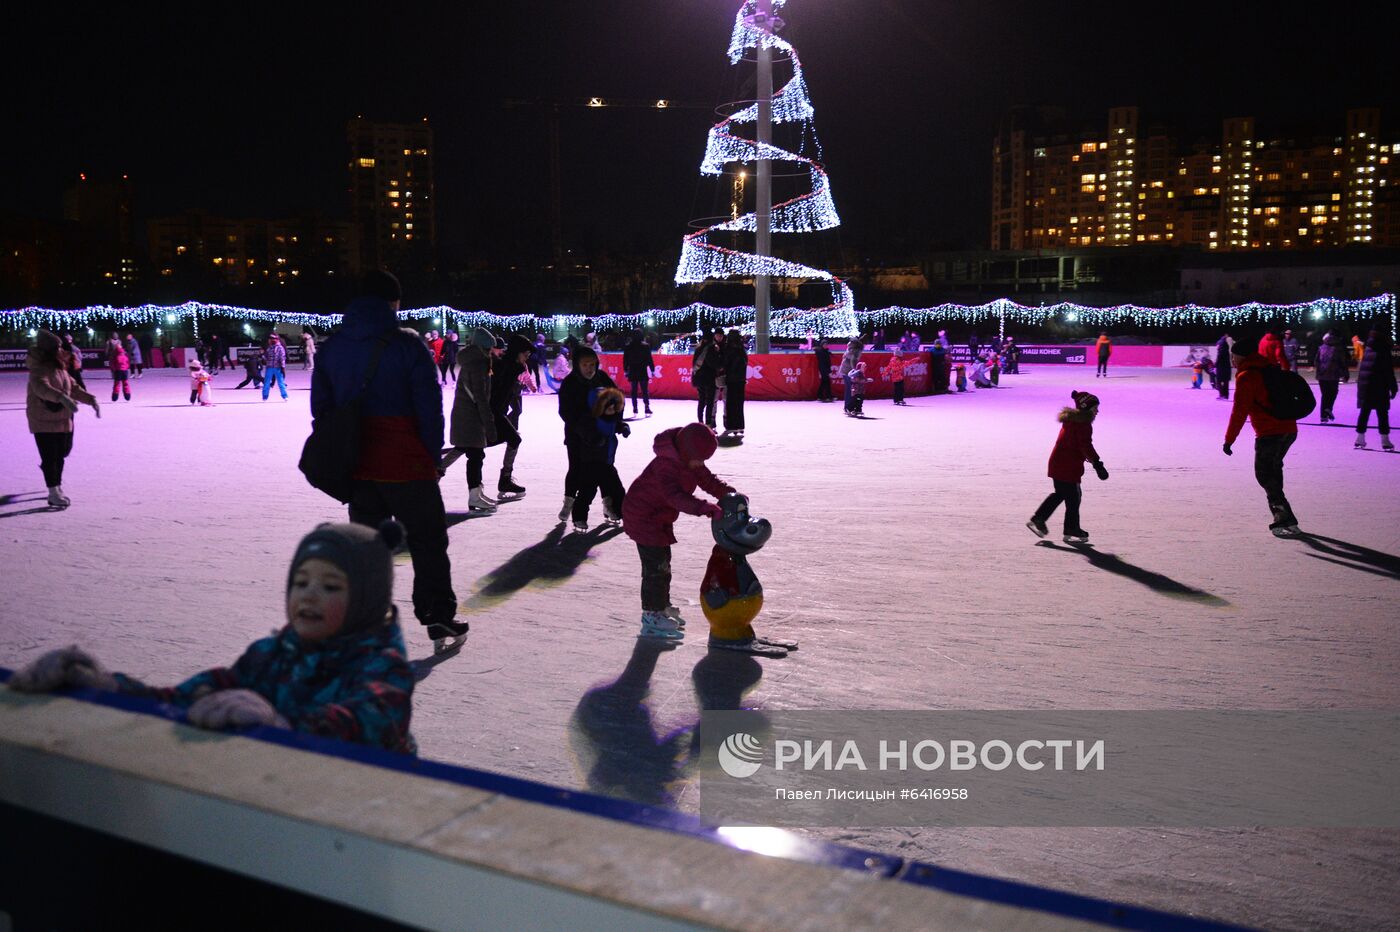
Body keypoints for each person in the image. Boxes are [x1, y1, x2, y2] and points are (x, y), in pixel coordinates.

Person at [9, 521, 419, 754]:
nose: (309, 595)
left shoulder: (385, 671)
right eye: (300, 582)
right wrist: (110, 688)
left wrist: (280, 727)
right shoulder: (269, 654)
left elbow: (364, 725)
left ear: (366, 601)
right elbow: (192, 697)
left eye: (331, 587)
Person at [311, 269, 465, 652]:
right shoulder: (408, 344)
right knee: (427, 540)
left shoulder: (332, 347)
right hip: (407, 464)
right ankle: (437, 616)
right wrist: (432, 458)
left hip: (360, 466)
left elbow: (322, 411)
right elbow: (429, 409)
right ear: (393, 303)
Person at [622, 423, 735, 640]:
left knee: (663, 565)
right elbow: (674, 496)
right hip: (643, 517)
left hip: (659, 517)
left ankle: (661, 605)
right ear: (686, 452)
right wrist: (703, 507)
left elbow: (706, 480)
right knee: (655, 569)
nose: (700, 464)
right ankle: (651, 615)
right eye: (699, 459)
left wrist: (728, 494)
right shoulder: (667, 465)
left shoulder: (690, 459)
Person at [1224, 340, 1300, 536]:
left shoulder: (1247, 376)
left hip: (1270, 432)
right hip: (1288, 429)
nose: (1232, 360)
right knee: (1273, 470)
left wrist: (1229, 439)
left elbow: (1239, 412)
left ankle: (1283, 515)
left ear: (1241, 356)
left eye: (1234, 356)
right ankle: (1283, 515)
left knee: (1264, 473)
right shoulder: (1269, 368)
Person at [26, 330, 100, 508]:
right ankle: (53, 491)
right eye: (57, 347)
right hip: (43, 419)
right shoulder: (39, 368)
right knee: (51, 457)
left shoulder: (60, 367)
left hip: (63, 418)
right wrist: (61, 397)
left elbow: (73, 388)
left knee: (62, 454)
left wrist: (91, 399)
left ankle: (56, 486)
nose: (61, 350)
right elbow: (40, 388)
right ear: (49, 350)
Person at [1027, 390, 1107, 543]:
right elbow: (1085, 446)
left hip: (1061, 464)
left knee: (1067, 495)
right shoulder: (1082, 425)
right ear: (1086, 408)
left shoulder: (1073, 421)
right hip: (1066, 466)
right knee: (1071, 496)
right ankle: (1050, 521)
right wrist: (1097, 464)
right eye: (1095, 408)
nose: (1097, 411)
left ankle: (1058, 523)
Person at [558, 345, 621, 529]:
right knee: (577, 470)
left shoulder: (602, 378)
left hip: (602, 436)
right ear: (577, 365)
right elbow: (566, 412)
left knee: (604, 472)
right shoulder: (570, 383)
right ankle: (569, 502)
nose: (589, 368)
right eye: (585, 364)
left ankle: (608, 505)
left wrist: (618, 422)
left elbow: (616, 400)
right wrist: (583, 430)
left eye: (592, 364)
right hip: (578, 436)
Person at [447, 327, 500, 513]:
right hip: (470, 416)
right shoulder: (478, 365)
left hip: (466, 415)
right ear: (484, 348)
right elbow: (481, 398)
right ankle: (474, 496)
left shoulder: (475, 361)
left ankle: (476, 492)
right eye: (491, 348)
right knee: (475, 455)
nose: (493, 351)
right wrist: (490, 425)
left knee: (470, 451)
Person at [490, 333, 533, 498]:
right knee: (470, 446)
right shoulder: (503, 367)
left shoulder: (513, 367)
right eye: (525, 354)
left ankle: (505, 479)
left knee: (514, 439)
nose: (527, 358)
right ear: (517, 352)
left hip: (497, 413)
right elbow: (493, 393)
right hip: (490, 413)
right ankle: (438, 469)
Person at [1353, 329, 1397, 450]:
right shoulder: (1383, 349)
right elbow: (1388, 371)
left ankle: (1360, 438)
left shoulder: (1368, 348)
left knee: (1364, 412)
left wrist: (1361, 386)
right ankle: (1385, 440)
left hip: (1366, 386)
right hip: (1380, 386)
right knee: (1382, 413)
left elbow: (1363, 370)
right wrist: (1393, 387)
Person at [1314, 332, 1348, 423]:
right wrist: (1345, 373)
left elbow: (1316, 361)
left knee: (1325, 395)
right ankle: (1328, 408)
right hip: (1333, 375)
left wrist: (1319, 371)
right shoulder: (1336, 349)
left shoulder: (1320, 348)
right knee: (1333, 393)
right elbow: (1342, 362)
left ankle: (1323, 416)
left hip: (1322, 376)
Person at [623, 327, 656, 417]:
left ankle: (635, 408)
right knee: (644, 390)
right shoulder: (645, 346)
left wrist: (625, 370)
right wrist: (652, 369)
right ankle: (646, 407)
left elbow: (625, 360)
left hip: (633, 370)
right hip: (642, 370)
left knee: (634, 390)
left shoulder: (628, 347)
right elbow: (649, 359)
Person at [721, 328, 747, 438]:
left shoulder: (729, 349)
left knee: (730, 403)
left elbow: (725, 363)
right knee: (739, 403)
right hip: (741, 380)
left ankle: (731, 426)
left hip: (731, 380)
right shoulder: (742, 350)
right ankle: (740, 425)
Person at [691, 329, 719, 428]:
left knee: (701, 400)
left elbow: (694, 363)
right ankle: (708, 424)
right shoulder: (711, 348)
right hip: (709, 378)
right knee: (710, 401)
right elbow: (713, 363)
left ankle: (700, 421)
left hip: (699, 378)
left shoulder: (698, 348)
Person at [838, 338, 863, 415]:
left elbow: (852, 359)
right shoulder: (852, 350)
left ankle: (849, 407)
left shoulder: (853, 350)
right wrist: (854, 370)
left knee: (851, 390)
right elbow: (852, 360)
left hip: (849, 371)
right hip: (847, 371)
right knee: (850, 390)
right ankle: (848, 407)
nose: (849, 343)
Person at [262, 333, 289, 401]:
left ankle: (284, 396)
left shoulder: (280, 348)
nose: (272, 340)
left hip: (278, 367)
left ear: (277, 339)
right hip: (269, 367)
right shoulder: (269, 348)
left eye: (274, 339)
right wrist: (263, 356)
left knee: (281, 382)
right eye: (271, 339)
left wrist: (283, 367)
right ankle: (265, 396)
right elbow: (266, 357)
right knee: (266, 382)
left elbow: (282, 358)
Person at [813, 337, 833, 402]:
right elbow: (816, 350)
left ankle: (821, 396)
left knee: (824, 382)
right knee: (826, 382)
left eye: (826, 344)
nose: (826, 346)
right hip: (823, 369)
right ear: (822, 345)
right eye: (824, 344)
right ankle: (827, 396)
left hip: (826, 369)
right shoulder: (820, 351)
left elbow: (828, 361)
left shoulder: (826, 352)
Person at [1215, 333, 1233, 400]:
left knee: (1219, 381)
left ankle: (1222, 395)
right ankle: (1226, 395)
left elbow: (1219, 358)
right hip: (1227, 367)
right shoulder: (1226, 349)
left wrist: (1215, 365)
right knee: (1226, 382)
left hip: (1221, 368)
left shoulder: (1221, 350)